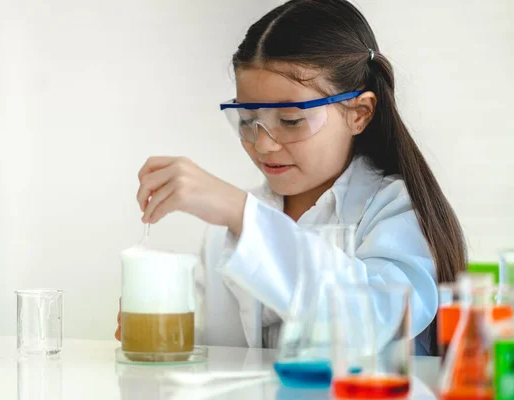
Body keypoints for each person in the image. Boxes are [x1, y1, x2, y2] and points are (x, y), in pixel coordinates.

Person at [115, 0, 466, 356]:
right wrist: (168, 326)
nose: (264, 144)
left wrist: (241, 213)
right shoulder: (224, 233)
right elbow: (218, 358)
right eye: (249, 120)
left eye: (291, 120)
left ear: (359, 113)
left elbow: (373, 322)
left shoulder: (393, 211)